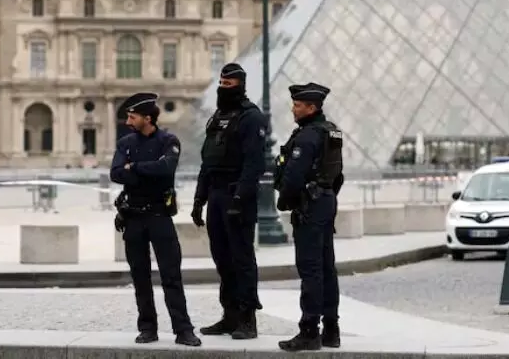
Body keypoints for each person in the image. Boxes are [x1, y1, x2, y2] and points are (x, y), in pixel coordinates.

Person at [110, 92, 201, 347]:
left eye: (132, 117)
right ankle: (148, 328)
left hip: (160, 216)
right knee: (140, 277)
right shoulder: (126, 143)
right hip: (133, 217)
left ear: (147, 118)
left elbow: (166, 169)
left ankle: (183, 330)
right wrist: (148, 170)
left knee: (171, 276)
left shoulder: (168, 141)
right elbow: (116, 173)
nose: (128, 121)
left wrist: (134, 167)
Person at [191, 63, 267, 339]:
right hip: (216, 195)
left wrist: (239, 198)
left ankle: (247, 318)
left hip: (238, 195)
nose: (223, 89)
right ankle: (230, 314)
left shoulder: (251, 117)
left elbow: (254, 164)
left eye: (229, 85)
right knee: (222, 258)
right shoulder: (217, 117)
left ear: (240, 86)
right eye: (221, 84)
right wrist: (199, 199)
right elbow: (207, 161)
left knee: (242, 259)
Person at [275, 82, 344, 352]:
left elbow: (293, 177)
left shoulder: (307, 137)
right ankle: (331, 330)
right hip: (326, 201)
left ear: (311, 108)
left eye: (298, 105)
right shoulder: (332, 131)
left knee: (310, 269)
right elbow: (337, 174)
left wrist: (285, 201)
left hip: (309, 206)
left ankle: (309, 331)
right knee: (327, 268)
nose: (293, 109)